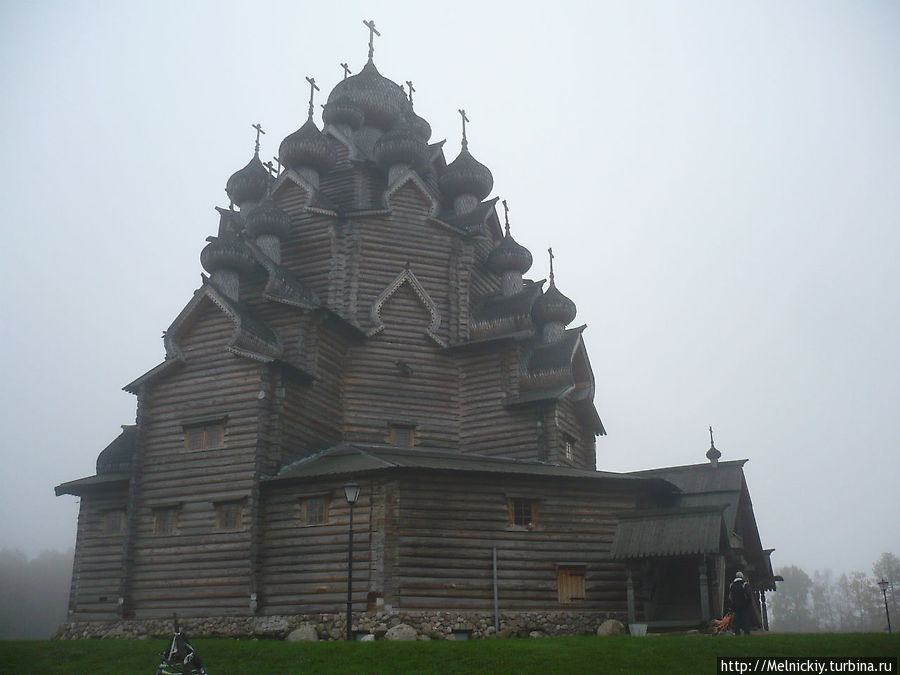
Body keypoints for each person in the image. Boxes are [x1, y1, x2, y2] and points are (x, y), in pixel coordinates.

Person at [729, 571, 752, 635]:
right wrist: (748, 602)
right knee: (745, 618)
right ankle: (746, 632)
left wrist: (732, 604)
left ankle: (737, 632)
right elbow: (748, 594)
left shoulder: (732, 585)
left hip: (735, 605)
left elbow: (730, 596)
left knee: (737, 619)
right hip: (744, 605)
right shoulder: (744, 584)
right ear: (742, 576)